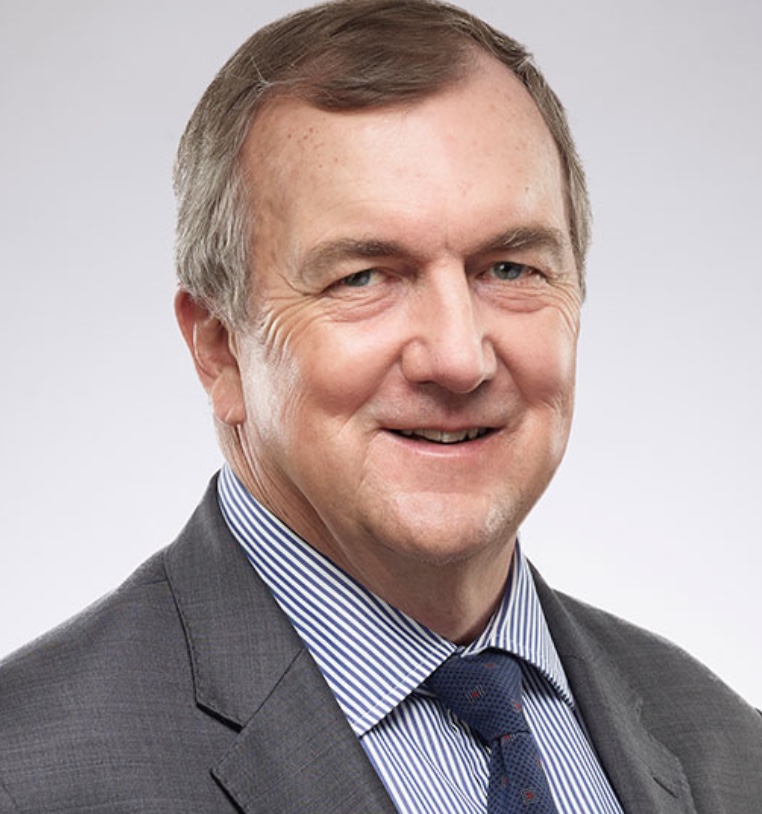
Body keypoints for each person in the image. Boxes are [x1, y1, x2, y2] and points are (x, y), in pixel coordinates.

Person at [0, 1, 759, 812]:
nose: (459, 358)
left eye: (509, 269)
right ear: (219, 348)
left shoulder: (725, 749)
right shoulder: (29, 776)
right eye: (363, 277)